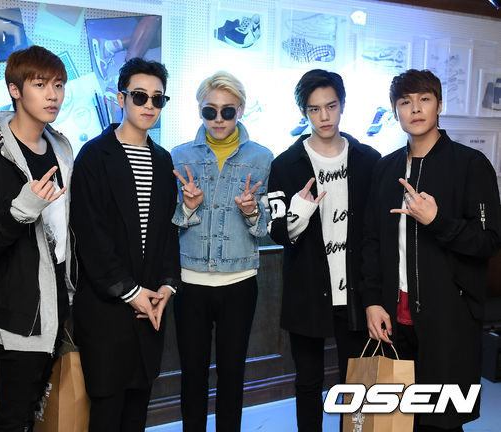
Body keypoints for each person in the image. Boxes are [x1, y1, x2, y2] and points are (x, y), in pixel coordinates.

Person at [362, 69, 501, 431]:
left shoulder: (471, 165)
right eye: (405, 102)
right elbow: (371, 241)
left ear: (439, 105)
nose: (415, 109)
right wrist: (373, 301)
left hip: (449, 318)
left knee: (442, 421)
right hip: (394, 316)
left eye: (424, 99)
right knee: (394, 421)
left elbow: (488, 241)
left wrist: (437, 220)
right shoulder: (385, 168)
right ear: (395, 110)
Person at [0, 45, 73, 431]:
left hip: (59, 302)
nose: (53, 95)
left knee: (31, 413)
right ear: (15, 90)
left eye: (58, 85)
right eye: (40, 84)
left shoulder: (61, 148)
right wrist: (19, 212)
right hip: (18, 311)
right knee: (12, 415)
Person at [70, 57, 180, 432]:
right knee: (106, 412)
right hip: (107, 308)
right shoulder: (93, 156)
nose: (149, 105)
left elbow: (167, 232)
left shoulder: (163, 160)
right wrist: (130, 292)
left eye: (157, 98)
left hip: (150, 308)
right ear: (121, 99)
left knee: (137, 412)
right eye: (139, 96)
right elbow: (90, 235)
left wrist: (166, 288)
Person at [267, 69, 380, 432]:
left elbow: (376, 233)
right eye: (314, 109)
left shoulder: (369, 160)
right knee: (308, 382)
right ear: (304, 112)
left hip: (357, 294)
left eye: (331, 106)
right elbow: (277, 232)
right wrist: (300, 210)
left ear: (342, 105)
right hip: (307, 291)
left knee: (358, 383)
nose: (324, 116)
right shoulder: (285, 165)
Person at [171, 71, 273, 432]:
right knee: (192, 375)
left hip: (239, 282)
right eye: (209, 111)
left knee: (232, 374)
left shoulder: (262, 158)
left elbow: (265, 228)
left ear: (240, 110)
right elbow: (171, 223)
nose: (218, 119)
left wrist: (252, 211)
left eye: (227, 111)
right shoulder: (179, 156)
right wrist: (188, 207)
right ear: (199, 110)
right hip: (190, 282)